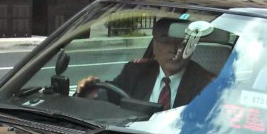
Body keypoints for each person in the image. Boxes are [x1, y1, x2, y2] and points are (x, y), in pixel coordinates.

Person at [77, 18, 215, 109]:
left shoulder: (207, 84)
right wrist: (90, 90)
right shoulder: (135, 71)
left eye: (181, 43)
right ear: (154, 46)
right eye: (166, 41)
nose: (173, 49)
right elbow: (108, 95)